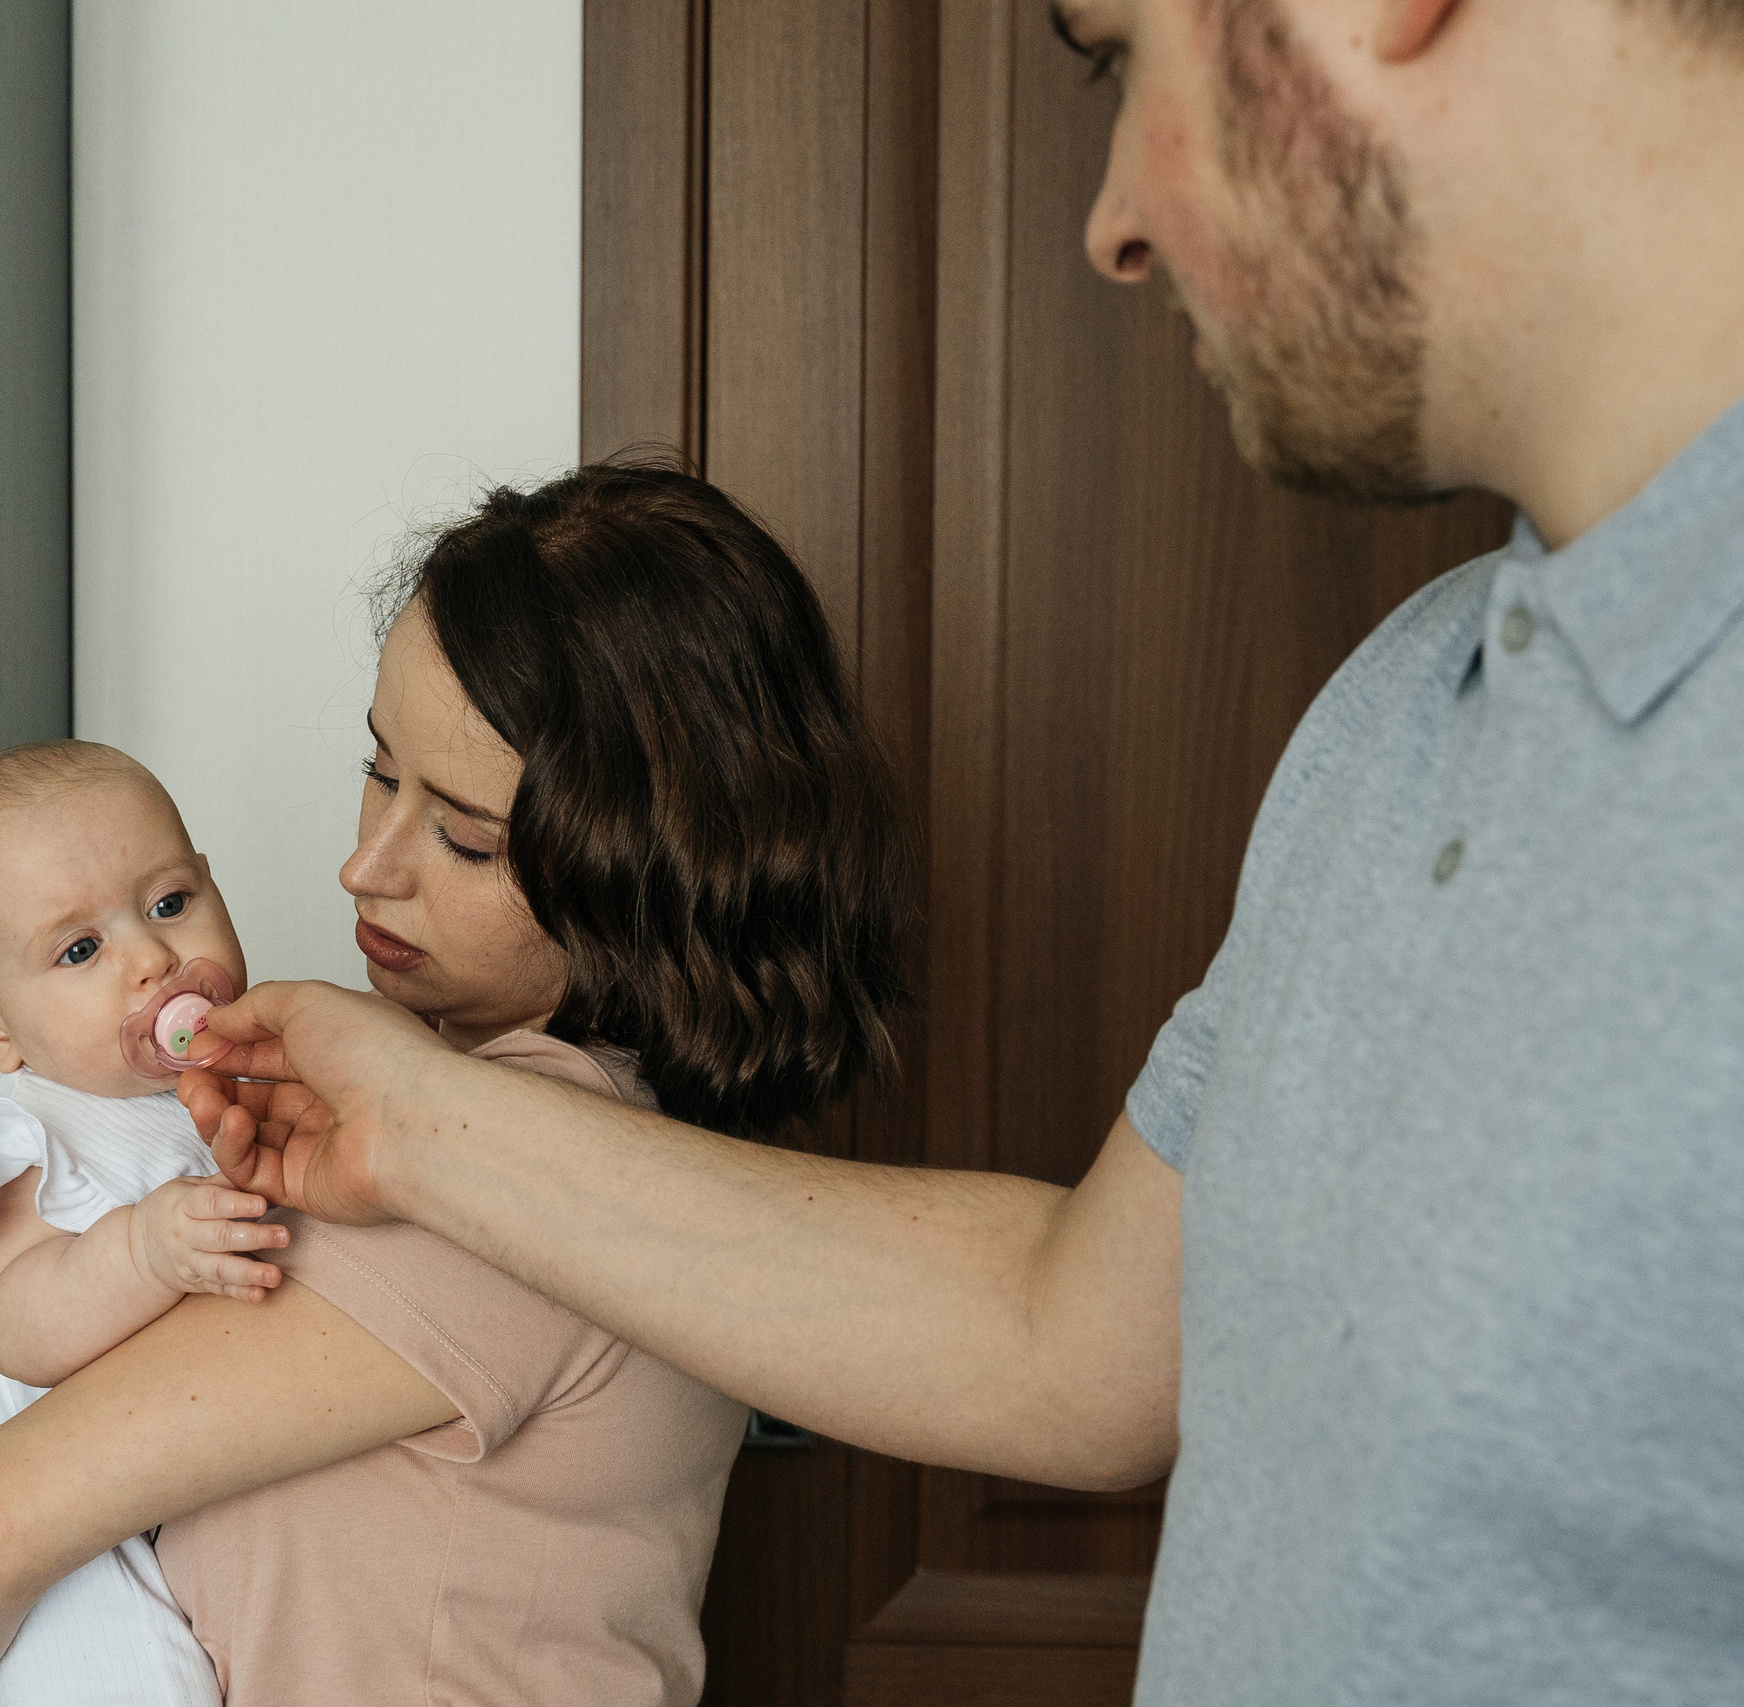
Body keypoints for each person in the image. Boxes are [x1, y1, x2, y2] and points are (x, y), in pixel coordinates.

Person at [181, 3, 1744, 1702]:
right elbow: (1071, 1346)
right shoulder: (1407, 705)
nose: (1112, 225)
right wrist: (411, 1121)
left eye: (1114, 53)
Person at [0, 465, 917, 1707]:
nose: (363, 867)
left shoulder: (522, 1173)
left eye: (461, 834)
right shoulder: (427, 1114)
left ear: (643, 868)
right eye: (377, 767)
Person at [0, 739, 280, 1707]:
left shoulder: (253, 1070)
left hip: (156, 1489)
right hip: (43, 1543)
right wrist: (144, 1248)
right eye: (80, 950)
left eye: (170, 903)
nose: (153, 959)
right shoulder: (26, 1131)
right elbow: (17, 1325)